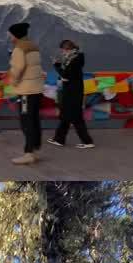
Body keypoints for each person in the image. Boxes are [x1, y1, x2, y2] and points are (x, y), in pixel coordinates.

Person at [6, 22, 46, 165]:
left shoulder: (19, 49)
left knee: (26, 122)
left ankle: (28, 153)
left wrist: (13, 83)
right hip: (36, 89)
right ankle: (35, 147)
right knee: (34, 119)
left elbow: (17, 68)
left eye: (10, 34)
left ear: (15, 35)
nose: (9, 37)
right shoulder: (33, 47)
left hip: (26, 91)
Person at [49, 39, 94, 149]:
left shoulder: (74, 60)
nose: (63, 53)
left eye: (63, 51)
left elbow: (66, 74)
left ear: (68, 49)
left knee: (76, 117)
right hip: (71, 90)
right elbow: (68, 73)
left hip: (73, 92)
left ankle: (87, 141)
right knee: (66, 115)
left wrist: (56, 65)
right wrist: (60, 66)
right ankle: (59, 139)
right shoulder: (73, 58)